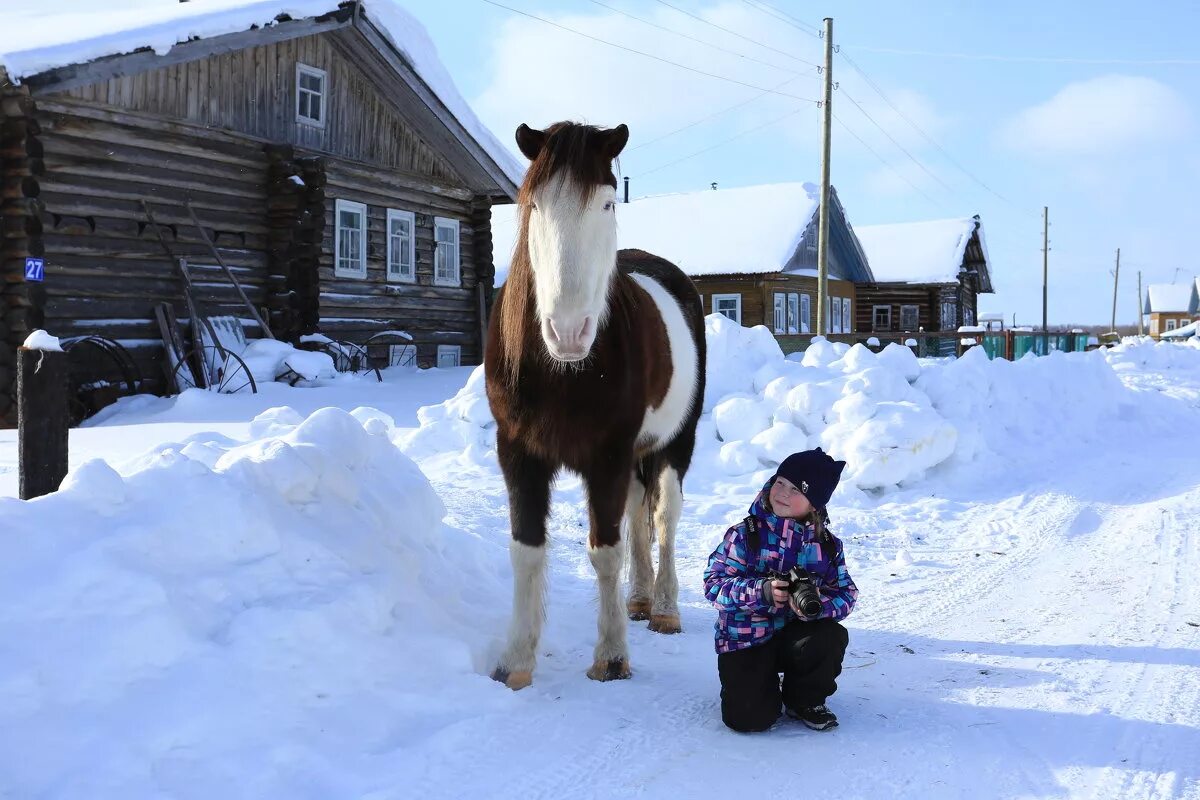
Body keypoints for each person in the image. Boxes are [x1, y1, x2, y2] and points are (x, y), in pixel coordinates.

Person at [702, 448, 858, 732]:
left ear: (814, 504)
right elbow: (713, 584)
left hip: (794, 636)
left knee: (830, 635)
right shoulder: (744, 534)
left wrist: (818, 605)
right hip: (747, 638)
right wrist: (759, 591)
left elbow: (846, 594)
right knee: (748, 720)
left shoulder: (827, 545)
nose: (783, 492)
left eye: (797, 489)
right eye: (780, 482)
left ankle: (805, 699)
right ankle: (759, 687)